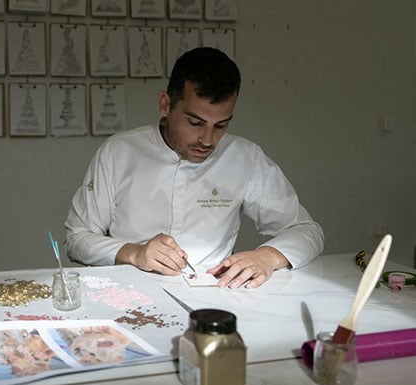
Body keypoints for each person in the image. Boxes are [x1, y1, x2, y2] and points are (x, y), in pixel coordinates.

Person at [64, 47, 323, 289]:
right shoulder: (118, 152)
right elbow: (76, 239)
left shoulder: (245, 158)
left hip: (214, 297)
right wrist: (134, 253)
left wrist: (267, 257)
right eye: (195, 122)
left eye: (220, 125)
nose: (208, 140)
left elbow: (307, 231)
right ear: (165, 105)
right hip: (128, 291)